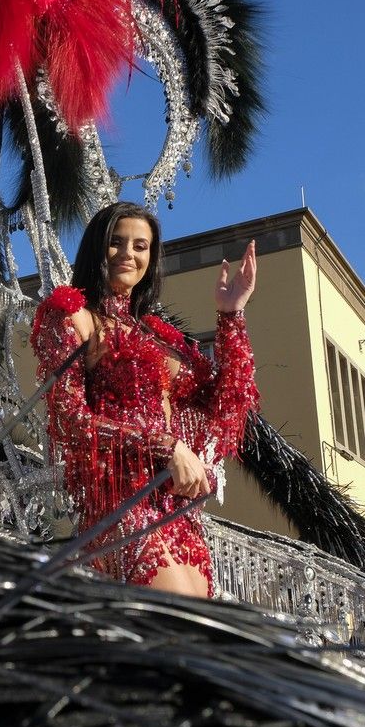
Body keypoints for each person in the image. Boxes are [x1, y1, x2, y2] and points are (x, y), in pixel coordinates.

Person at [31, 201, 259, 598]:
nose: (127, 254)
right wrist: (165, 447)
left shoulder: (159, 335)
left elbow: (228, 403)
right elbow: (71, 422)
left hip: (176, 512)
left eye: (140, 246)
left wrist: (230, 315)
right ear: (96, 248)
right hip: (121, 505)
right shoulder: (74, 316)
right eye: (116, 242)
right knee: (175, 624)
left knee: (199, 639)